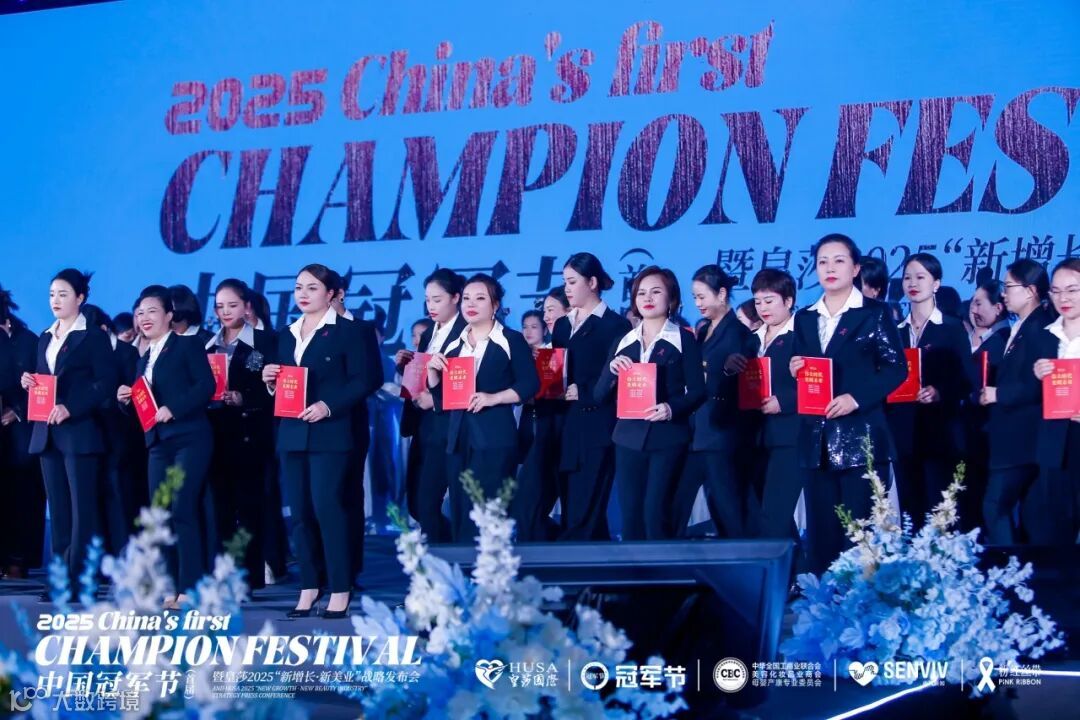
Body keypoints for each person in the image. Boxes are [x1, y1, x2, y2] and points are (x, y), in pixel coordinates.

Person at [789, 234, 907, 573]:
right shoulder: (805, 317)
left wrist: (856, 398)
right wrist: (795, 367)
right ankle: (822, 600)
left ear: (855, 269)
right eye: (823, 261)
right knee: (821, 536)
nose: (830, 268)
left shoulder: (875, 313)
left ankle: (861, 601)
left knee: (859, 536)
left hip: (861, 439)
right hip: (816, 441)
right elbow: (806, 367)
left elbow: (896, 368)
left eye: (839, 261)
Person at [261, 264, 373, 619]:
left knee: (328, 508)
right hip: (292, 431)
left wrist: (328, 405)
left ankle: (340, 587)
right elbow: (286, 383)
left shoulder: (351, 332)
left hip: (331, 431)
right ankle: (309, 586)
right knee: (300, 513)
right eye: (298, 287)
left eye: (312, 287)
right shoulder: (286, 334)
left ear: (332, 293)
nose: (303, 294)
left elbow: (366, 379)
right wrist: (270, 381)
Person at [117, 285, 215, 609]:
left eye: (152, 311)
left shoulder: (187, 345)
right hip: (157, 443)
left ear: (169, 315)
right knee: (160, 515)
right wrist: (125, 400)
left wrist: (174, 408)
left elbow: (206, 385)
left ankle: (191, 587)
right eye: (140, 312)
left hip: (189, 438)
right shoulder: (142, 359)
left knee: (183, 508)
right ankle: (170, 585)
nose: (144, 318)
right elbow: (143, 407)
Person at [22, 269, 115, 593]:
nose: (56, 301)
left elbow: (106, 382)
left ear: (80, 298)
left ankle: (81, 579)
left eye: (63, 294)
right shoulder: (45, 337)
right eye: (52, 294)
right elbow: (44, 378)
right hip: (47, 433)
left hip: (79, 432)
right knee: (59, 510)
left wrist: (72, 407)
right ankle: (61, 580)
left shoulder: (92, 337)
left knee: (82, 510)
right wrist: (29, 381)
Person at [427, 273, 539, 542]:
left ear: (495, 305)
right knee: (461, 512)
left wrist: (493, 398)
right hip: (458, 439)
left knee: (489, 514)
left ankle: (492, 566)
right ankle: (465, 566)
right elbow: (443, 400)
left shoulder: (510, 340)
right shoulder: (454, 345)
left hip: (494, 437)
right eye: (466, 298)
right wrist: (432, 373)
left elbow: (530, 384)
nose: (471, 304)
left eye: (480, 298)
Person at [596, 266, 705, 540]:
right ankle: (632, 567)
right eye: (641, 293)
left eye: (656, 292)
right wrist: (611, 371)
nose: (647, 298)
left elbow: (698, 391)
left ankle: (662, 566)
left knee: (656, 512)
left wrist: (671, 408)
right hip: (627, 438)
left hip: (667, 438)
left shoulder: (684, 339)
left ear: (671, 299)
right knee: (631, 514)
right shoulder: (624, 341)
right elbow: (599, 395)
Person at [887, 253, 974, 526]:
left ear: (936, 283)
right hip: (903, 432)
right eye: (907, 278)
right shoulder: (895, 332)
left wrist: (939, 392)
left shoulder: (951, 328)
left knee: (939, 509)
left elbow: (967, 379)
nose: (913, 283)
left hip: (940, 433)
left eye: (920, 277)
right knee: (909, 511)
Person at [551, 253, 632, 540]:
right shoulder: (562, 325)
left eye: (572, 282)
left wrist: (583, 391)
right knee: (574, 509)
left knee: (585, 511)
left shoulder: (616, 326)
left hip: (597, 425)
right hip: (565, 426)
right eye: (565, 282)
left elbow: (617, 378)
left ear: (593, 282)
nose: (567, 289)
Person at [204, 279, 275, 591]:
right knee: (220, 509)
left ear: (247, 306)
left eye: (232, 305)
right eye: (219, 306)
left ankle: (249, 577)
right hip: (216, 434)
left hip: (250, 434)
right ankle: (224, 574)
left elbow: (273, 388)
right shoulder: (208, 345)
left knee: (249, 509)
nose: (225, 312)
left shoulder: (264, 341)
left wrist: (244, 398)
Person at [979, 259, 1055, 544]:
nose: (1003, 293)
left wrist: (999, 394)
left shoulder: (1041, 327)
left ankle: (1008, 568)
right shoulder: (1024, 325)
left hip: (1022, 438)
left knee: (995, 507)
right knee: (1020, 514)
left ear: (1031, 290)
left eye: (1009, 286)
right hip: (1014, 437)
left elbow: (1039, 382)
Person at [671, 265, 750, 538]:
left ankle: (740, 557)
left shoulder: (738, 332)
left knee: (726, 504)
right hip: (696, 429)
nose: (698, 303)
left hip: (720, 430)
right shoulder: (703, 330)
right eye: (695, 297)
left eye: (702, 296)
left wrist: (721, 372)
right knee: (678, 503)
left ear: (722, 294)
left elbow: (738, 379)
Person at [727, 269, 801, 540]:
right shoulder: (750, 340)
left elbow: (820, 383)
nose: (763, 308)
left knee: (776, 512)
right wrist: (729, 368)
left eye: (769, 301)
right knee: (760, 511)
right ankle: (796, 565)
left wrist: (786, 401)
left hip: (789, 436)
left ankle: (782, 568)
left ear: (788, 300)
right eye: (758, 302)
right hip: (754, 436)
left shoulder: (803, 336)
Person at [398, 269, 467, 543]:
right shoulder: (429, 334)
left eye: (437, 300)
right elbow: (424, 378)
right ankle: (445, 553)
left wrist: (436, 400)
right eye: (428, 300)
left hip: (450, 427)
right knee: (418, 504)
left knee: (429, 502)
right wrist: (406, 368)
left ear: (456, 298)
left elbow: (471, 383)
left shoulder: (467, 332)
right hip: (424, 426)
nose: (431, 306)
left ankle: (444, 559)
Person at [329, 273, 384, 580]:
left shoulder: (361, 329)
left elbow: (371, 378)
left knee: (348, 493)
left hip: (350, 422)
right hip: (313, 426)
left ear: (338, 294)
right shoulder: (301, 331)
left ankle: (349, 568)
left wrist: (334, 401)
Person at [82, 303, 144, 556]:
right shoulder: (83, 352)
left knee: (118, 492)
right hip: (89, 431)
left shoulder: (127, 352)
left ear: (104, 328)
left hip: (120, 432)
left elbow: (134, 393)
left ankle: (123, 554)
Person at [1032, 258, 1080, 545]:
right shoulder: (1045, 336)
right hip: (1054, 438)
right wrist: (1037, 375)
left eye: (1072, 290)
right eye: (1057, 291)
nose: (1064, 298)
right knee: (1057, 519)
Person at [0, 287, 46, 579]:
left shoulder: (29, 340)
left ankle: (17, 561)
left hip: (22, 432)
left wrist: (16, 410)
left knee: (23, 495)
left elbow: (44, 382)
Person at [513, 309, 561, 541]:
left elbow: (553, 391)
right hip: (524, 419)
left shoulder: (552, 355)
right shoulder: (519, 356)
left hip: (545, 420)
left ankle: (544, 533)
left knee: (537, 485)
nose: (528, 331)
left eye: (534, 327)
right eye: (525, 326)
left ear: (544, 330)